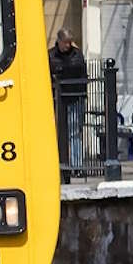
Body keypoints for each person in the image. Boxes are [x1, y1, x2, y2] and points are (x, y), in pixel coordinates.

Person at [49, 28, 86, 169]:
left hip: (75, 98)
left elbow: (80, 71)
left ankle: (77, 166)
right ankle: (58, 164)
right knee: (57, 133)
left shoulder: (77, 54)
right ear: (58, 41)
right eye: (65, 42)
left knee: (74, 132)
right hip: (57, 101)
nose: (68, 46)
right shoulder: (51, 55)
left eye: (69, 42)